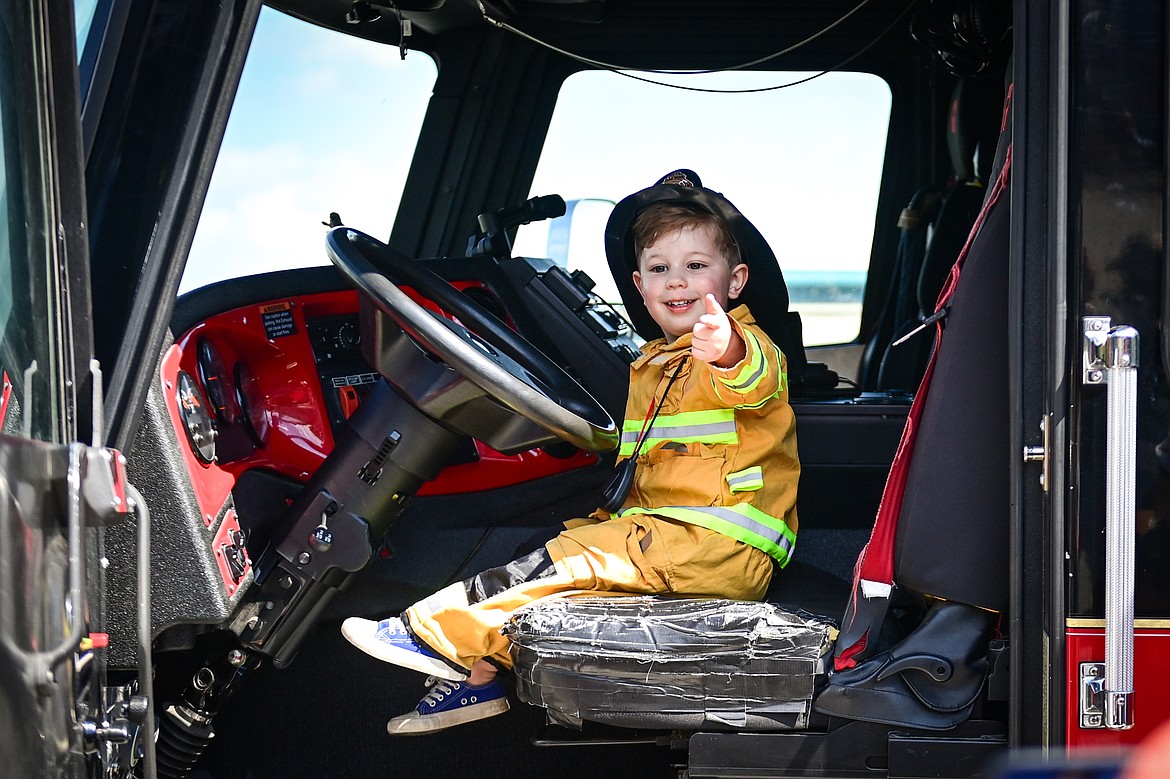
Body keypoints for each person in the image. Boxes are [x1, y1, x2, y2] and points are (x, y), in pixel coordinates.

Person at [341, 170, 800, 735]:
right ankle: (480, 678)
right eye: (660, 269)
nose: (677, 280)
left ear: (735, 282)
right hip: (668, 535)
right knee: (542, 557)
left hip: (714, 545)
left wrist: (725, 346)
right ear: (639, 286)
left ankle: (429, 634)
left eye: (696, 265)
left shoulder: (744, 345)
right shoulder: (657, 360)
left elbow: (750, 376)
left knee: (557, 564)